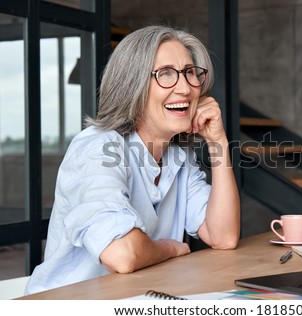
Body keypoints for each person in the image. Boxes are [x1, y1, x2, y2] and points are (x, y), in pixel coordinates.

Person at [25, 25, 240, 294]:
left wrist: (217, 140)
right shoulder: (98, 146)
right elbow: (122, 254)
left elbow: (223, 236)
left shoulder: (178, 156)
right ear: (132, 86)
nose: (185, 88)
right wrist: (170, 248)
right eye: (165, 74)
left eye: (189, 73)